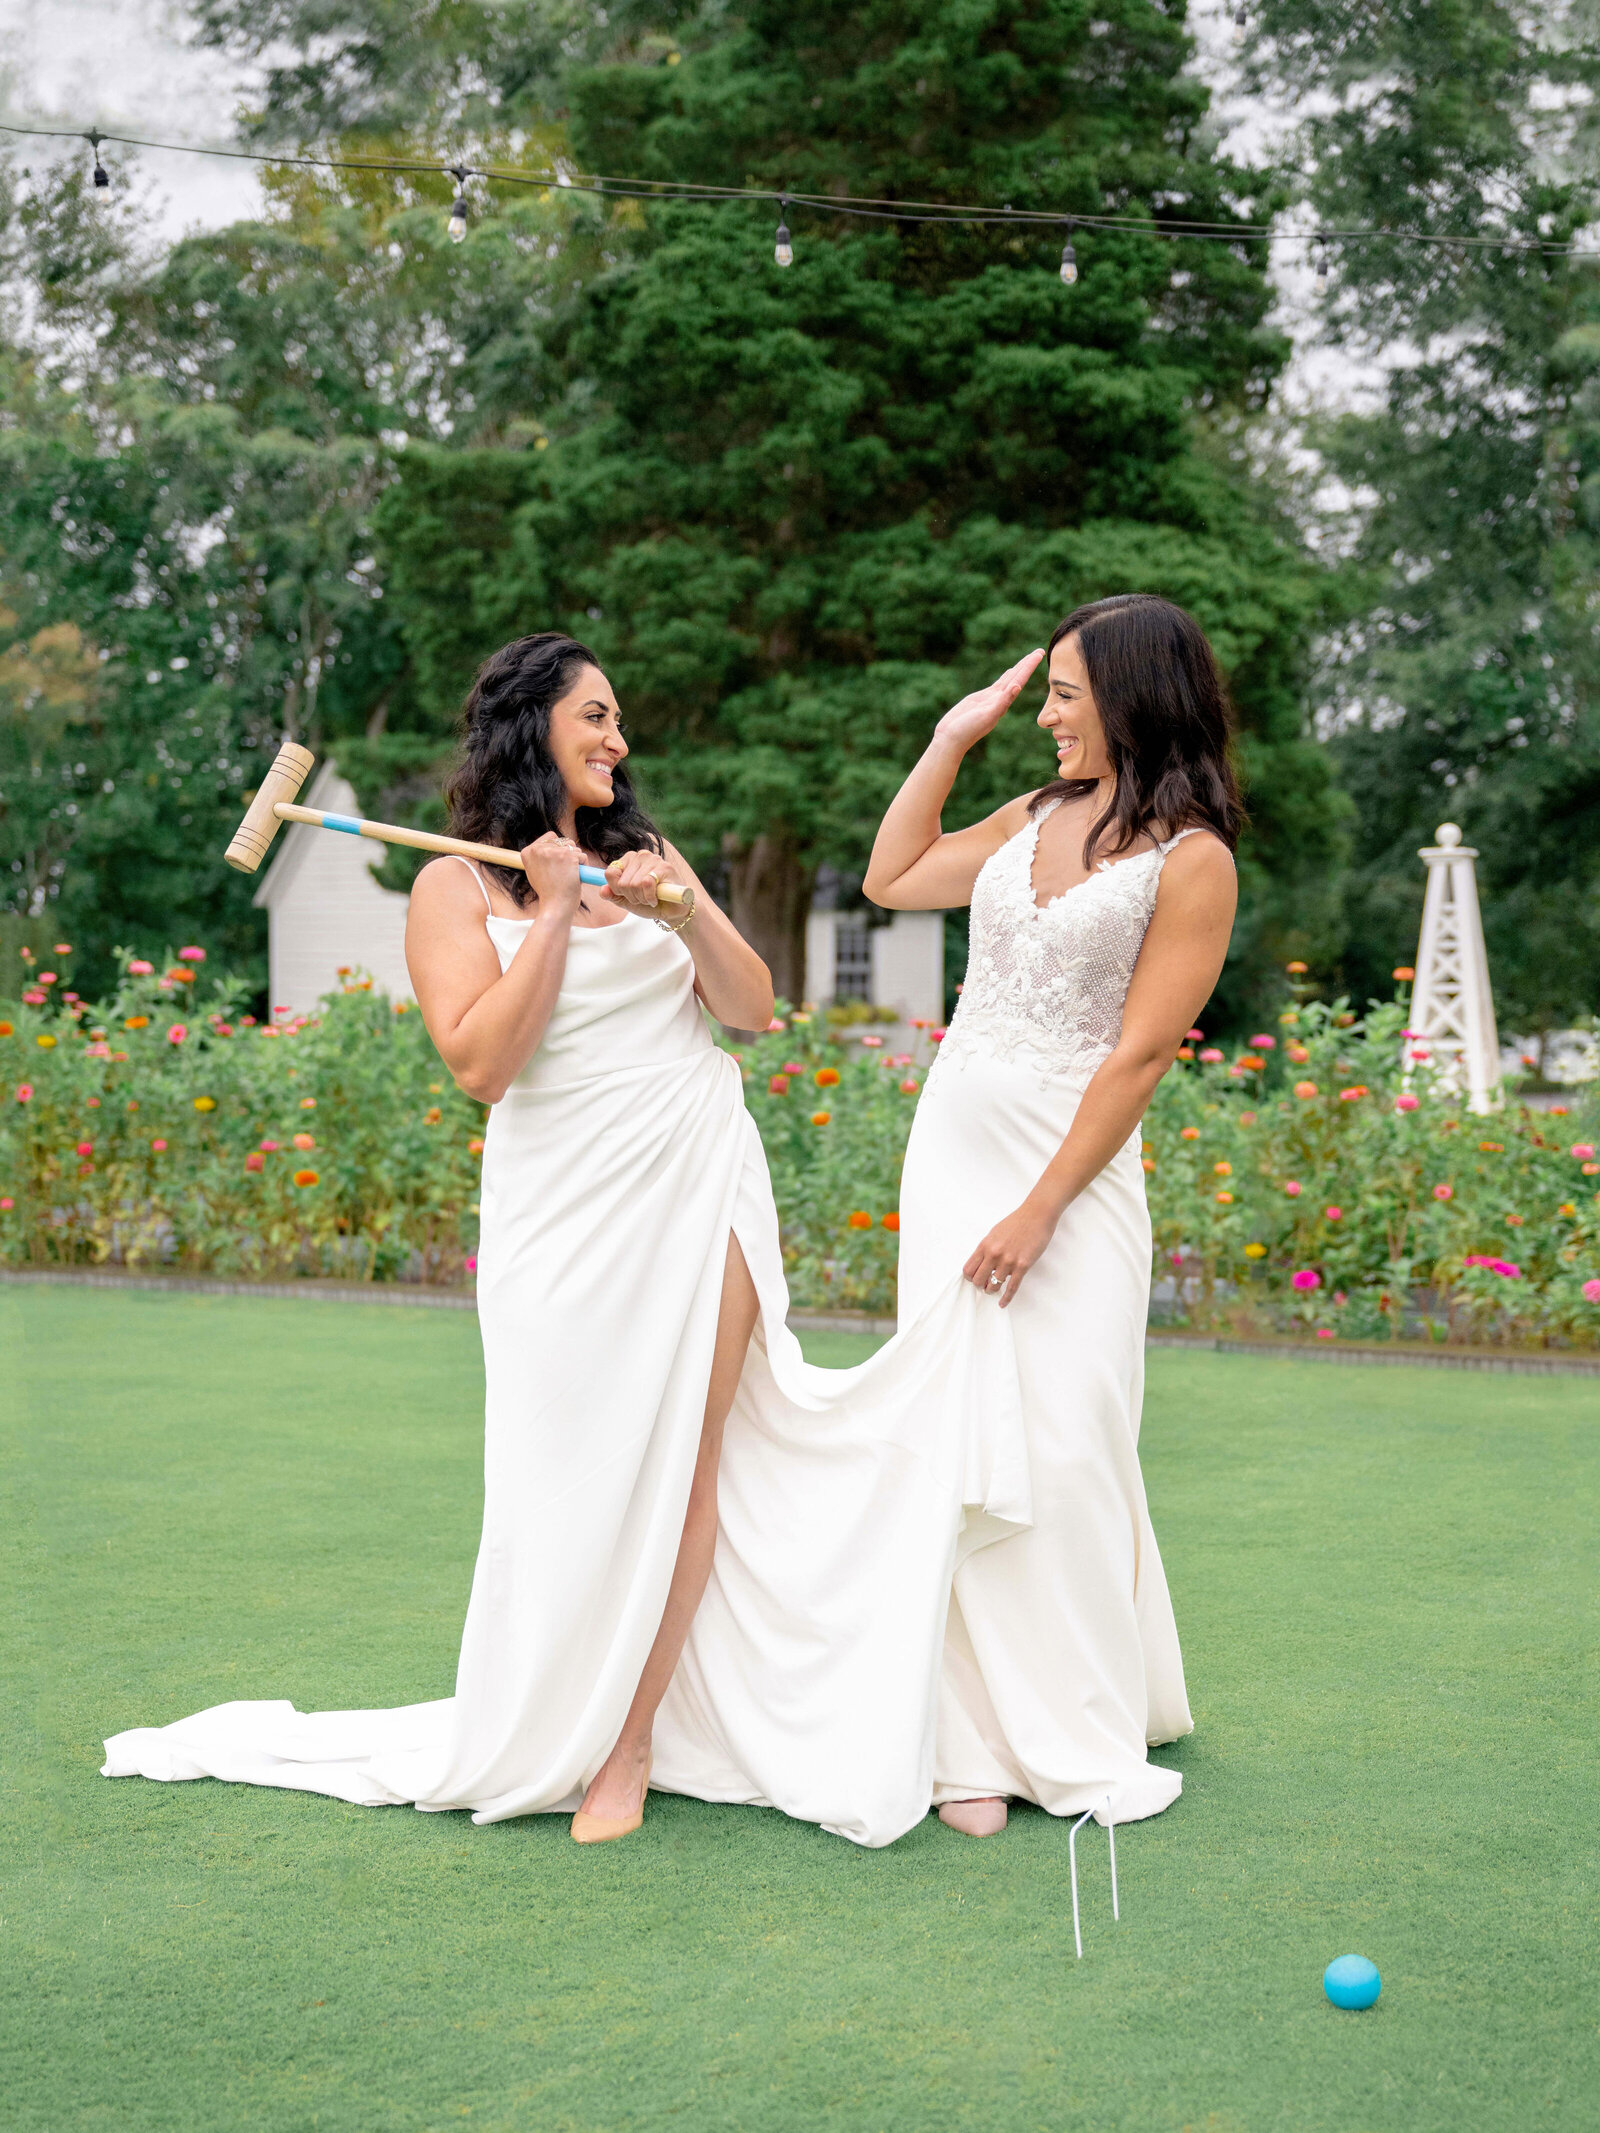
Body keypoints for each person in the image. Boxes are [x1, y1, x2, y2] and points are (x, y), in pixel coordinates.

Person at [858, 591, 1240, 1835]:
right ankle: (963, 1743)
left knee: (1067, 1445)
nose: (1050, 719)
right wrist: (949, 739)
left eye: (1066, 695)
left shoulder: (1194, 861)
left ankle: (1069, 1731)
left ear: (1133, 697)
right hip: (953, 1152)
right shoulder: (1033, 813)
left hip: (1066, 1182)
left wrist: (1038, 1209)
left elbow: (1135, 1059)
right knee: (958, 1438)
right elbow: (894, 875)